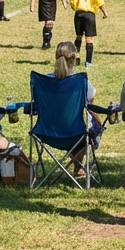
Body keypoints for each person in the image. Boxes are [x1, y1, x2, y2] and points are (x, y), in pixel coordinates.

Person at [49, 41, 100, 171]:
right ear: (74, 59)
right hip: (75, 132)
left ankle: (77, 163)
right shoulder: (80, 81)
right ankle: (78, 164)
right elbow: (91, 100)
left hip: (48, 132)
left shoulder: (45, 81)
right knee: (93, 127)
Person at [68, 0, 106, 68]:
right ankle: (88, 61)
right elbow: (99, 1)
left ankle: (76, 58)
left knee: (78, 36)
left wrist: (75, 8)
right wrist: (104, 12)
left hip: (79, 14)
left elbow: (72, 1)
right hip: (89, 15)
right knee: (89, 39)